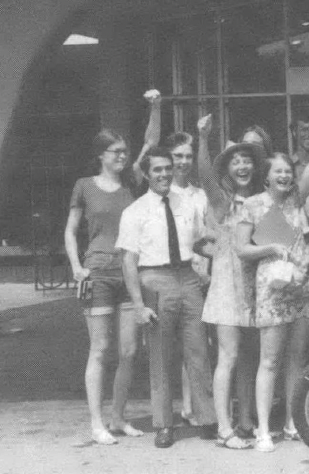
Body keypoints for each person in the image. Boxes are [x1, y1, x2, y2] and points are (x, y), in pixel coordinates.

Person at [63, 90, 160, 445]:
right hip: (98, 272)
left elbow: (151, 142)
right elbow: (71, 231)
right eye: (116, 152)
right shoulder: (84, 187)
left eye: (124, 151)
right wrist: (76, 266)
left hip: (129, 272)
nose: (123, 156)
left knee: (130, 350)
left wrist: (156, 106)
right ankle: (96, 422)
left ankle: (118, 417)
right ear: (100, 156)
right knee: (100, 349)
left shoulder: (132, 182)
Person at [118, 145, 218, 448]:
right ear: (147, 174)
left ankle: (207, 418)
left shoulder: (186, 204)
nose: (164, 173)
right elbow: (128, 261)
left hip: (188, 278)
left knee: (199, 351)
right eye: (157, 169)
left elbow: (199, 242)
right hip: (155, 280)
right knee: (161, 356)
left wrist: (225, 251)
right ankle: (164, 423)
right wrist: (138, 305)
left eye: (167, 168)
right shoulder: (134, 211)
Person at [234, 144, 309, 452]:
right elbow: (241, 249)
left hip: (300, 286)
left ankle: (292, 423)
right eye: (279, 171)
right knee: (270, 359)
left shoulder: (297, 200)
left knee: (297, 358)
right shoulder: (252, 204)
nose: (285, 176)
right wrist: (271, 248)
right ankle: (263, 429)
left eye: (288, 171)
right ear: (267, 176)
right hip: (271, 289)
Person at [195, 113, 263, 449]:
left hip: (255, 285)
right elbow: (205, 175)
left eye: (246, 159)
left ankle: (246, 420)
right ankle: (224, 427)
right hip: (226, 284)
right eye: (235, 160)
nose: (241, 165)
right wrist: (204, 139)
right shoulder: (222, 200)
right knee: (228, 355)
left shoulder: (263, 201)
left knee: (249, 356)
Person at [164, 129, 211, 426]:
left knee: (198, 345)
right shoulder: (161, 193)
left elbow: (206, 233)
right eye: (177, 156)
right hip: (170, 274)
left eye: (188, 156)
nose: (183, 162)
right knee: (172, 346)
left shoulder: (200, 194)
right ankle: (176, 408)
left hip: (199, 274)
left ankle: (194, 406)